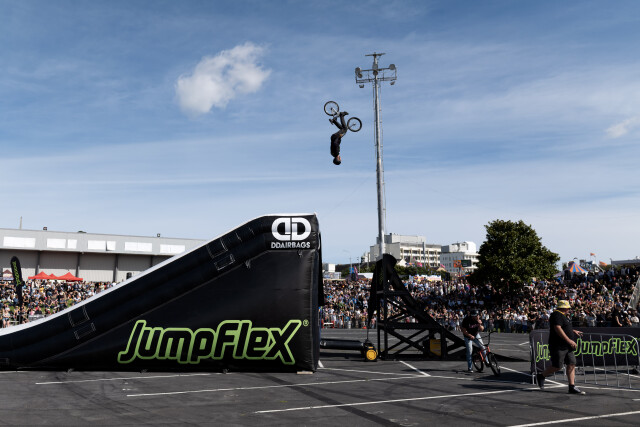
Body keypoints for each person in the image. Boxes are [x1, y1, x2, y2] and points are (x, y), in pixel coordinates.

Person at [536, 300, 586, 395]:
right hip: (558, 345)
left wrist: (573, 331)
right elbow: (557, 328)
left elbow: (564, 327)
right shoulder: (557, 314)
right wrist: (569, 340)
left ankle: (572, 386)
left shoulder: (562, 316)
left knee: (572, 363)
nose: (569, 309)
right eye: (568, 308)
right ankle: (541, 375)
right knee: (557, 366)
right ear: (564, 308)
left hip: (567, 346)